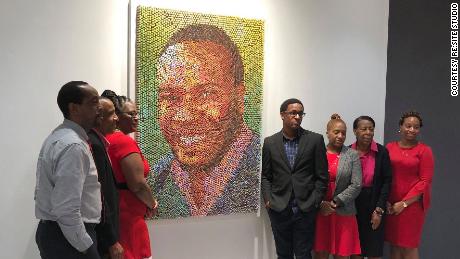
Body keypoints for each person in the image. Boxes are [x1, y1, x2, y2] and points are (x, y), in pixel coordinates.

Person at [153, 24, 260, 218]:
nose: (185, 117)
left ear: (239, 97)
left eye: (207, 94)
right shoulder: (157, 179)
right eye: (171, 97)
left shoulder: (262, 165)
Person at [34, 81, 102, 258]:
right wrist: (86, 247)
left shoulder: (59, 137)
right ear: (74, 108)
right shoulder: (73, 146)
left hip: (59, 234)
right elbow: (66, 208)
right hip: (69, 239)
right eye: (93, 102)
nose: (99, 108)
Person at [262, 98, 329, 259]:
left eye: (300, 113)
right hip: (279, 208)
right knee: (283, 254)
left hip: (305, 209)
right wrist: (268, 200)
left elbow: (322, 176)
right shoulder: (270, 143)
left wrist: (315, 201)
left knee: (303, 254)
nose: (297, 116)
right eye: (293, 113)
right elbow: (266, 176)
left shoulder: (315, 140)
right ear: (282, 115)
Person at [103, 90, 158, 259]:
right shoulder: (123, 142)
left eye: (137, 113)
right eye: (131, 114)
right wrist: (152, 204)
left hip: (115, 213)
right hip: (129, 215)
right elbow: (138, 184)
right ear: (117, 116)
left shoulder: (105, 139)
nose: (136, 118)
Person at [385, 111, 434, 259]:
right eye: (408, 126)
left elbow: (425, 181)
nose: (412, 130)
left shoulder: (424, 151)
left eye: (416, 127)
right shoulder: (389, 147)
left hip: (412, 206)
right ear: (401, 126)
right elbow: (384, 175)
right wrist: (385, 201)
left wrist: (404, 204)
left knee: (408, 247)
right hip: (391, 204)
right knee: (394, 246)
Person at [313, 114, 362, 259]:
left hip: (344, 212)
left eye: (343, 133)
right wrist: (321, 203)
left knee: (342, 255)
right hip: (321, 212)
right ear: (327, 132)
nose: (340, 136)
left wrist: (335, 203)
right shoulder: (317, 152)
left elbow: (357, 184)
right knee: (320, 254)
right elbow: (308, 181)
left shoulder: (352, 155)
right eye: (336, 132)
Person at [350, 116, 392, 259]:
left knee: (374, 249)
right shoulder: (348, 152)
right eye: (364, 129)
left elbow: (387, 181)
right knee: (355, 249)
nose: (368, 132)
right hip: (352, 204)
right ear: (355, 131)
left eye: (371, 129)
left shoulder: (382, 152)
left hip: (375, 203)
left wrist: (379, 210)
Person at [88, 97, 124, 259]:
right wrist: (111, 240)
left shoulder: (99, 142)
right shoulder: (94, 144)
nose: (117, 118)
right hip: (102, 238)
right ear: (98, 118)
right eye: (111, 114)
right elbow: (101, 195)